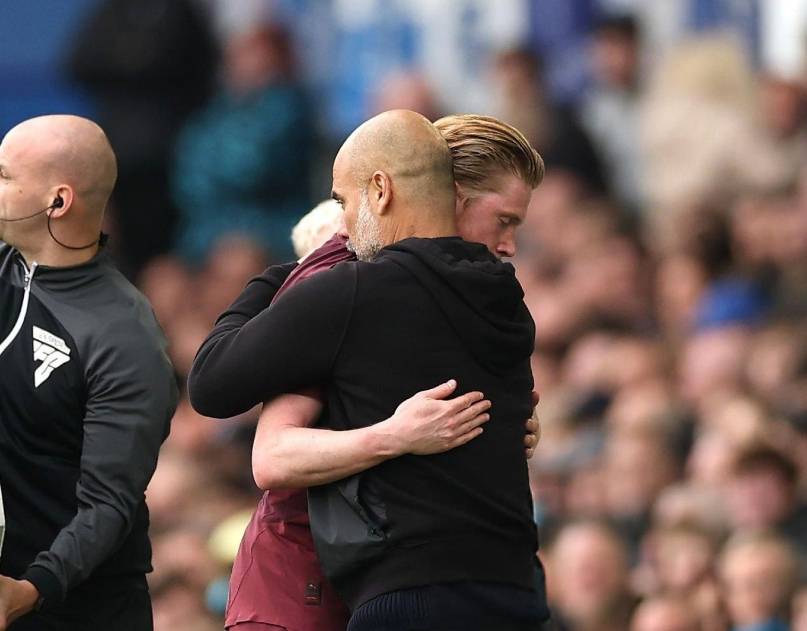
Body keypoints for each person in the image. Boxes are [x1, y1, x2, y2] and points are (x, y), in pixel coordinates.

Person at [189, 109, 549, 630]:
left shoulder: (352, 290)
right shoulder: (507, 302)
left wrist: (283, 276)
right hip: (511, 586)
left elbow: (213, 386)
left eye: (344, 201)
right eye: (505, 221)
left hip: (399, 592)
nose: (509, 245)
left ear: (382, 190)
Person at [0, 115, 178, 630]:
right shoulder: (7, 266)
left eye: (5, 175)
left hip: (73, 609)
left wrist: (30, 589)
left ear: (57, 202)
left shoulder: (124, 335)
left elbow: (107, 503)